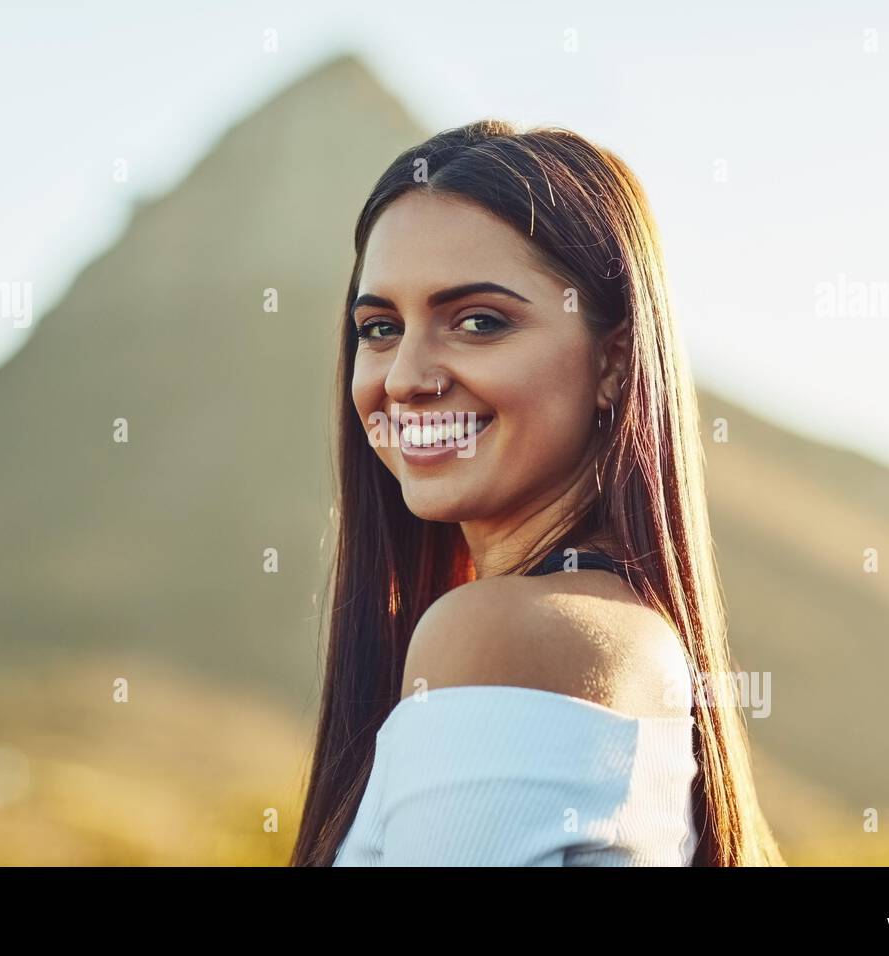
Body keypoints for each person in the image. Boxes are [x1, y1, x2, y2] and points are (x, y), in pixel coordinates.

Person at [291, 120, 784, 866]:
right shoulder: (616, 630)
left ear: (614, 360)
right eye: (381, 327)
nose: (404, 377)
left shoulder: (505, 637)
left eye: (479, 322)